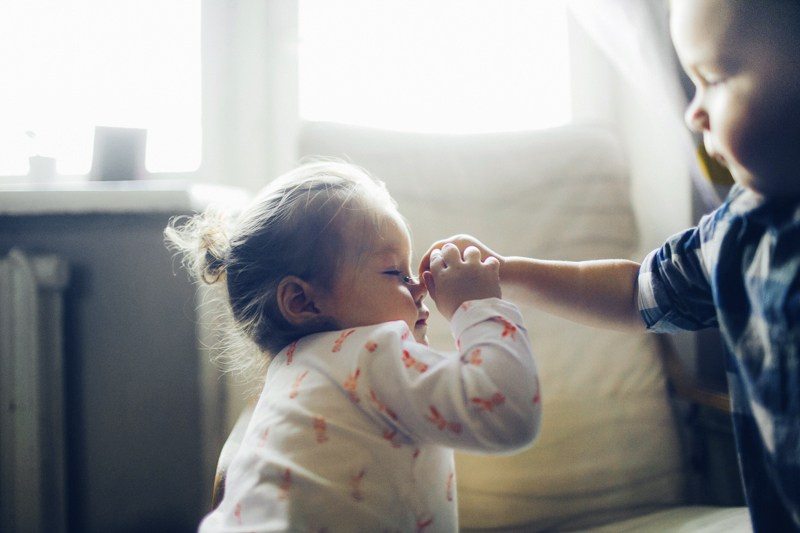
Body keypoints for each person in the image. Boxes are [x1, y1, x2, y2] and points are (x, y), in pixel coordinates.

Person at [420, 0, 800, 531]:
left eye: (712, 78)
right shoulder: (736, 230)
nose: (693, 112)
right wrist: (502, 271)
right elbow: (633, 291)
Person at [166, 161, 541, 532]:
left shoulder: (296, 370)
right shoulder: (367, 352)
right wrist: (476, 305)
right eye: (396, 272)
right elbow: (505, 410)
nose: (420, 286)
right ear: (302, 302)